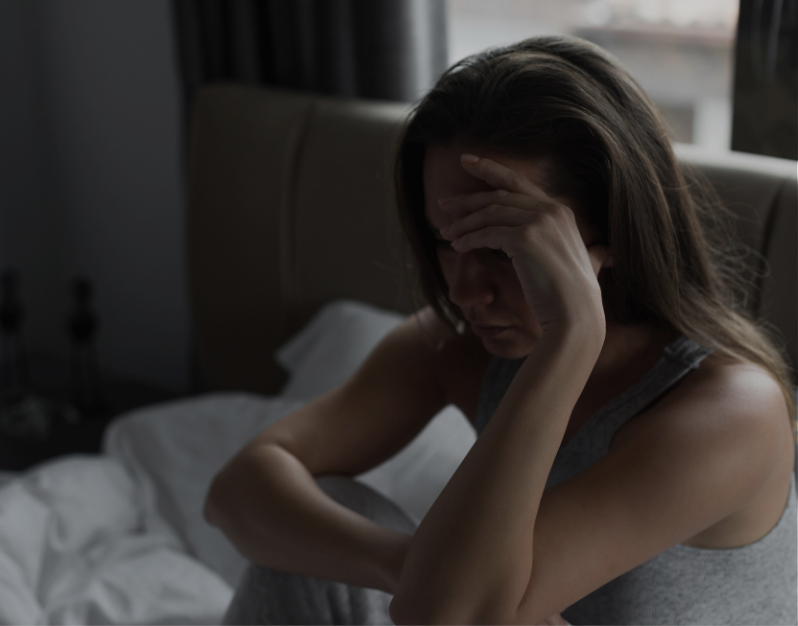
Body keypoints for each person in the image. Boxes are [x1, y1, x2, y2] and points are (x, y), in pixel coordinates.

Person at [204, 35, 797, 625]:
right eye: (444, 243)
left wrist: (572, 335)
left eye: (500, 247)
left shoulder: (733, 413)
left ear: (607, 234)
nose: (465, 291)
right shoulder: (456, 348)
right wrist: (403, 563)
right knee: (318, 521)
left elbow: (459, 615)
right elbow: (237, 490)